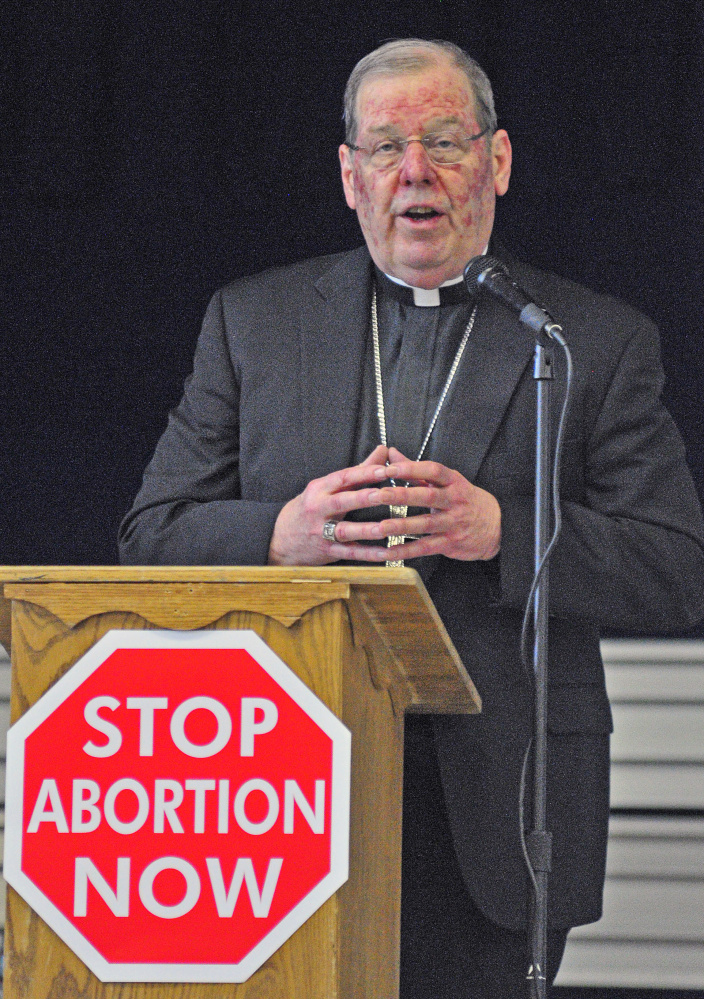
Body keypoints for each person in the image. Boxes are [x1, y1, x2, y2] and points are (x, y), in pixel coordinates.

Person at [119, 39, 704, 997]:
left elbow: (677, 567)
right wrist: (280, 535)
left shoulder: (588, 340)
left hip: (500, 810)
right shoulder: (253, 322)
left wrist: (508, 529)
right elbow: (151, 533)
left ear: (499, 161)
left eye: (444, 141)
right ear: (350, 176)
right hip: (277, 803)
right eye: (386, 148)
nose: (415, 172)